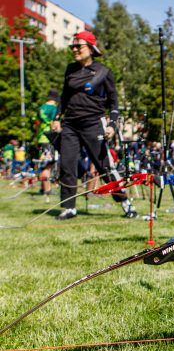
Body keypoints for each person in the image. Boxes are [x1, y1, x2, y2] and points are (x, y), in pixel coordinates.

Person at [52, 31, 137, 220]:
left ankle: (126, 203)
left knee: (104, 167)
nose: (74, 49)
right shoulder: (70, 69)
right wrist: (57, 117)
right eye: (72, 46)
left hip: (93, 123)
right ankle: (69, 208)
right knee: (66, 166)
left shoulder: (104, 72)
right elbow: (64, 98)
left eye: (78, 46)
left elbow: (114, 103)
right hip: (70, 125)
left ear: (91, 48)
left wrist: (112, 125)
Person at [36, 90, 59, 198]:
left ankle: (42, 188)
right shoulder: (54, 109)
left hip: (41, 138)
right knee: (48, 164)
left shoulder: (41, 108)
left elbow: (37, 125)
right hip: (49, 138)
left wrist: (37, 139)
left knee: (44, 162)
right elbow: (53, 124)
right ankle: (47, 190)